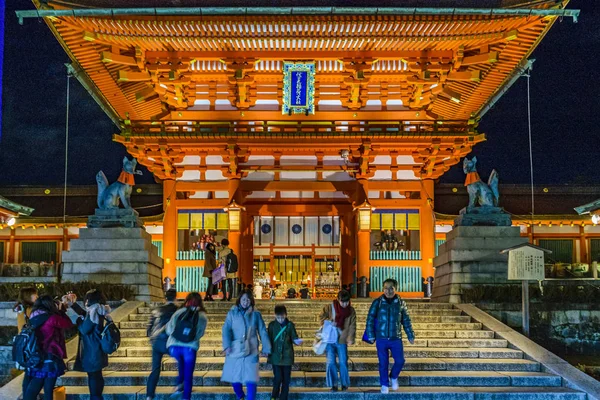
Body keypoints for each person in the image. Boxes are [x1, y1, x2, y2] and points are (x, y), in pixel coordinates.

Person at [363, 278, 415, 394]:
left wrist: (410, 335)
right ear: (383, 289)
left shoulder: (401, 303)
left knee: (400, 361)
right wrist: (371, 335)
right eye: (386, 288)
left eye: (391, 288)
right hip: (381, 338)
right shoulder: (378, 302)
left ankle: (394, 376)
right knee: (383, 363)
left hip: (395, 338)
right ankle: (384, 384)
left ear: (396, 289)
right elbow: (370, 319)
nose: (388, 291)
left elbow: (406, 320)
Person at [22, 294, 77, 400]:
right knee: (47, 388)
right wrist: (61, 311)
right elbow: (68, 324)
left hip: (37, 355)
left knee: (36, 386)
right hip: (51, 356)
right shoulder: (52, 318)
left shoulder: (33, 315)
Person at [221, 289, 271, 400]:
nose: (245, 302)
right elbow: (226, 330)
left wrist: (266, 348)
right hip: (235, 349)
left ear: (251, 301)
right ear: (239, 300)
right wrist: (227, 345)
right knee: (235, 379)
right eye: (243, 299)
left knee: (251, 379)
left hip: (252, 349)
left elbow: (262, 331)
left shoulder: (256, 315)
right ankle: (240, 396)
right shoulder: (232, 313)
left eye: (248, 299)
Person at [165, 292, 208, 400]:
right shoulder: (202, 316)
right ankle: (185, 397)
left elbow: (169, 329)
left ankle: (179, 387)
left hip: (173, 347)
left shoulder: (179, 312)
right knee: (188, 375)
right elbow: (199, 333)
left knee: (181, 363)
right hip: (189, 348)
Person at [73, 289, 113, 400]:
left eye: (87, 299)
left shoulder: (93, 312)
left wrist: (78, 321)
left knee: (94, 378)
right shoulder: (99, 310)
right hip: (97, 350)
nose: (85, 302)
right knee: (97, 377)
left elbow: (84, 329)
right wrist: (73, 305)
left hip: (92, 352)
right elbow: (84, 314)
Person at [318, 290, 356, 392]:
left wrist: (350, 338)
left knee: (343, 362)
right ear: (338, 300)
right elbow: (320, 317)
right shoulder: (330, 307)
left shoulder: (351, 311)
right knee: (330, 362)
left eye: (347, 302)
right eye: (342, 302)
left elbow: (352, 325)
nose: (344, 304)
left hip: (342, 340)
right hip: (330, 339)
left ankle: (344, 384)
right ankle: (333, 384)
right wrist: (330, 322)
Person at [146, 289, 179, 400]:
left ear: (165, 298)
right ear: (175, 297)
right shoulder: (177, 310)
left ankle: (149, 395)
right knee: (182, 362)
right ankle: (179, 387)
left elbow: (149, 329)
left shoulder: (156, 310)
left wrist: (152, 339)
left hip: (156, 343)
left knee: (155, 369)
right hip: (170, 342)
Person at [267, 305, 303, 400]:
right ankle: (274, 396)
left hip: (287, 357)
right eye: (278, 317)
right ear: (275, 316)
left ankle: (283, 397)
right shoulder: (271, 325)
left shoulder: (290, 325)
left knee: (286, 380)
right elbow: (268, 339)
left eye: (282, 317)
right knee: (277, 378)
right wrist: (266, 350)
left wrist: (297, 341)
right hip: (275, 356)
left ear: (286, 315)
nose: (280, 319)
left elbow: (294, 337)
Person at [15, 287, 39, 400]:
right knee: (31, 372)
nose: (37, 297)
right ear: (28, 296)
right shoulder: (29, 310)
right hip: (30, 345)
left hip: (24, 344)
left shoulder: (21, 309)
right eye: (35, 295)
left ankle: (28, 396)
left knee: (28, 372)